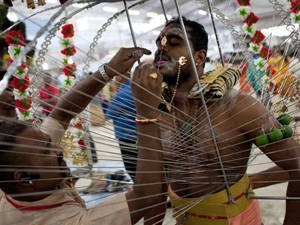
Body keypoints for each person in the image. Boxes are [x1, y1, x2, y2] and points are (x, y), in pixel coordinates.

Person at [131, 17, 300, 225]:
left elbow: (298, 166)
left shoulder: (238, 107)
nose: (161, 49)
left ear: (199, 57)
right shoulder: (155, 112)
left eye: (173, 42)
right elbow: (156, 187)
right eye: (158, 43)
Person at [0, 47, 165, 225]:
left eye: (49, 143)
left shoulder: (20, 173)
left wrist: (108, 70)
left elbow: (62, 114)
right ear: (23, 178)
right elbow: (146, 194)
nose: (59, 149)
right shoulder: (69, 222)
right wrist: (147, 113)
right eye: (46, 150)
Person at [106, 78, 137, 181]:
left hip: (127, 135)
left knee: (132, 167)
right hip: (136, 133)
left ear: (119, 78)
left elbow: (110, 113)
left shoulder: (124, 92)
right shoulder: (134, 88)